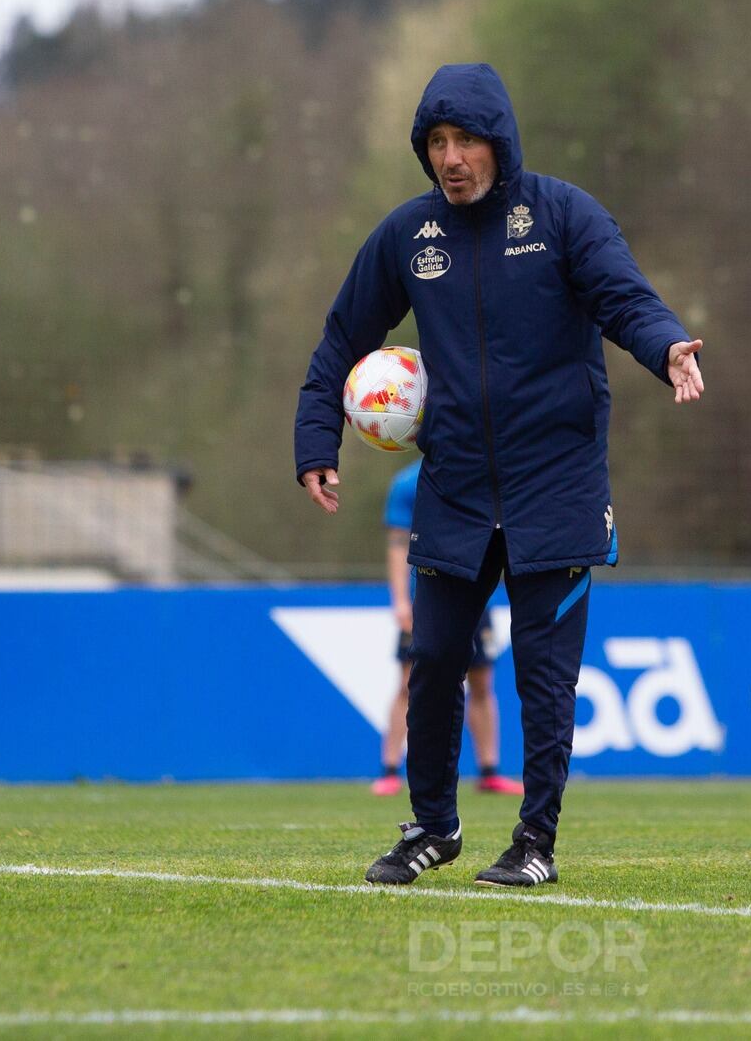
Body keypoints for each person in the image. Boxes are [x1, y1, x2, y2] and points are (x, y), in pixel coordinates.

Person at [296, 63, 703, 888]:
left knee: (542, 672)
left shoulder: (562, 215)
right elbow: (342, 340)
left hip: (556, 483)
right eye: (437, 143)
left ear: (499, 142)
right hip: (457, 488)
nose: (451, 157)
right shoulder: (409, 237)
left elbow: (626, 298)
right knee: (435, 655)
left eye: (466, 140)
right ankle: (432, 828)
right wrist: (316, 439)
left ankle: (535, 842)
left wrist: (666, 345)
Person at [374, 455, 524, 799]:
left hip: (476, 595)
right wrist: (400, 600)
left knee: (482, 681)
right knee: (410, 682)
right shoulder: (407, 482)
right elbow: (398, 544)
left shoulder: (477, 472)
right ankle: (390, 769)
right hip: (423, 598)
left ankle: (489, 771)